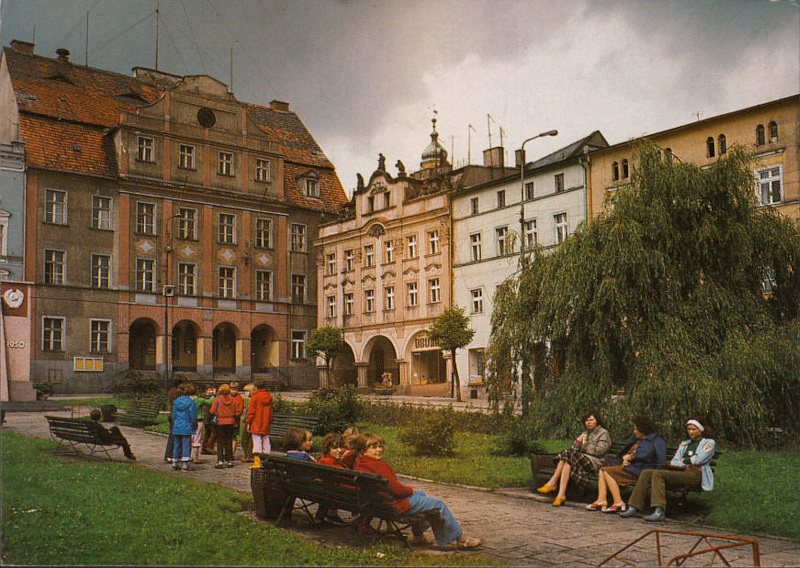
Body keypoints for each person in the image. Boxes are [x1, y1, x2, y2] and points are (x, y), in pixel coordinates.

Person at [353, 433, 482, 549]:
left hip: (378, 504)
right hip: (395, 505)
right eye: (374, 447)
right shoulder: (380, 466)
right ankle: (460, 539)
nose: (379, 450)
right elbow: (397, 490)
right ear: (363, 450)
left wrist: (412, 492)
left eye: (380, 446)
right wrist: (410, 490)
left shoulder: (360, 464)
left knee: (422, 495)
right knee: (438, 505)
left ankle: (418, 536)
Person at [621, 418, 717, 522]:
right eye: (689, 429)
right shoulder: (685, 444)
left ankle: (659, 511)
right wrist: (685, 461)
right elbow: (675, 461)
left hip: (695, 474)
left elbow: (699, 460)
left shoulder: (709, 443)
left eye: (694, 429)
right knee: (646, 473)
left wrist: (684, 460)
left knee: (658, 474)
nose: (690, 432)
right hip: (680, 471)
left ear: (701, 430)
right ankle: (633, 506)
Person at [587, 415, 666, 513]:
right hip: (631, 468)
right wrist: (624, 459)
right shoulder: (636, 440)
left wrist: (631, 458)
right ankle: (601, 500)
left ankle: (618, 502)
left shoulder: (656, 442)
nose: (634, 432)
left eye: (636, 429)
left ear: (642, 430)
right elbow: (624, 454)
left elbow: (659, 461)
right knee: (603, 470)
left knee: (606, 471)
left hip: (641, 471)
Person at [537, 411, 612, 506]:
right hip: (580, 459)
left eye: (591, 420)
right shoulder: (585, 432)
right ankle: (561, 495)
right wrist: (578, 441)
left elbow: (599, 451)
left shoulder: (603, 433)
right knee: (567, 461)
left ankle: (552, 483)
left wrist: (585, 443)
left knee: (567, 454)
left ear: (597, 421)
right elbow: (574, 449)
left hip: (594, 462)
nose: (589, 422)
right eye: (587, 420)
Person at [314, 433, 347, 525]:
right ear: (327, 449)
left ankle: (322, 515)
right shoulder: (334, 465)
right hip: (332, 494)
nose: (339, 450)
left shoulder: (322, 459)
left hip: (320, 492)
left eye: (341, 447)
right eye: (335, 448)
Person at [210, 383, 243, 469]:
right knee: (229, 441)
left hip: (220, 422)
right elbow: (238, 411)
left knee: (220, 442)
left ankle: (220, 461)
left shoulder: (217, 400)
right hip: (231, 422)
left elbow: (212, 411)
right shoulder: (233, 400)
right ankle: (229, 460)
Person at [171, 383, 198, 471]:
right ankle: (185, 464)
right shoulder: (191, 402)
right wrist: (194, 425)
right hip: (187, 425)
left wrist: (174, 423)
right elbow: (193, 416)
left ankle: (175, 461)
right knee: (186, 444)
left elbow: (174, 415)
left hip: (177, 425)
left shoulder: (176, 401)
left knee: (177, 444)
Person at [245, 378, 274, 459]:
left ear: (255, 387)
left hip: (256, 422)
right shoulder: (269, 396)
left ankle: (257, 460)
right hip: (266, 422)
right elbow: (271, 411)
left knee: (257, 442)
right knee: (266, 441)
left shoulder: (255, 397)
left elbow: (251, 412)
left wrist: (248, 421)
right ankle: (267, 459)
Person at [190, 386, 214, 464]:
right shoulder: (199, 400)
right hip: (198, 420)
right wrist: (213, 395)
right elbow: (209, 402)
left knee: (189, 438)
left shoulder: (187, 400)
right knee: (197, 438)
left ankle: (187, 455)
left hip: (189, 420)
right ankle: (195, 457)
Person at [164, 380, 183, 463]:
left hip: (172, 415)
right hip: (176, 415)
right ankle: (170, 455)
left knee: (172, 435)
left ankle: (170, 454)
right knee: (174, 436)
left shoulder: (172, 391)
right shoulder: (177, 392)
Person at [241, 383, 257, 462]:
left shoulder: (254, 400)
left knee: (248, 439)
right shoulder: (251, 400)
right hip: (248, 421)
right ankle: (247, 454)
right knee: (244, 439)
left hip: (251, 422)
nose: (245, 393)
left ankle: (250, 455)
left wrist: (247, 419)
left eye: (247, 391)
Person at [201, 385, 218, 455]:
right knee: (214, 432)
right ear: (206, 391)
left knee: (208, 433)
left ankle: (205, 447)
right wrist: (214, 395)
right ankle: (209, 446)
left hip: (208, 418)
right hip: (208, 418)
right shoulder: (208, 398)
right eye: (210, 390)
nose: (211, 391)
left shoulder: (209, 397)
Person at [230, 382, 244, 458]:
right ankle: (228, 452)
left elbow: (240, 410)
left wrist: (234, 414)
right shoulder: (228, 397)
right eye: (232, 389)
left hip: (235, 419)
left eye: (235, 389)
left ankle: (232, 453)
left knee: (234, 437)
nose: (233, 391)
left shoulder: (239, 398)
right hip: (228, 419)